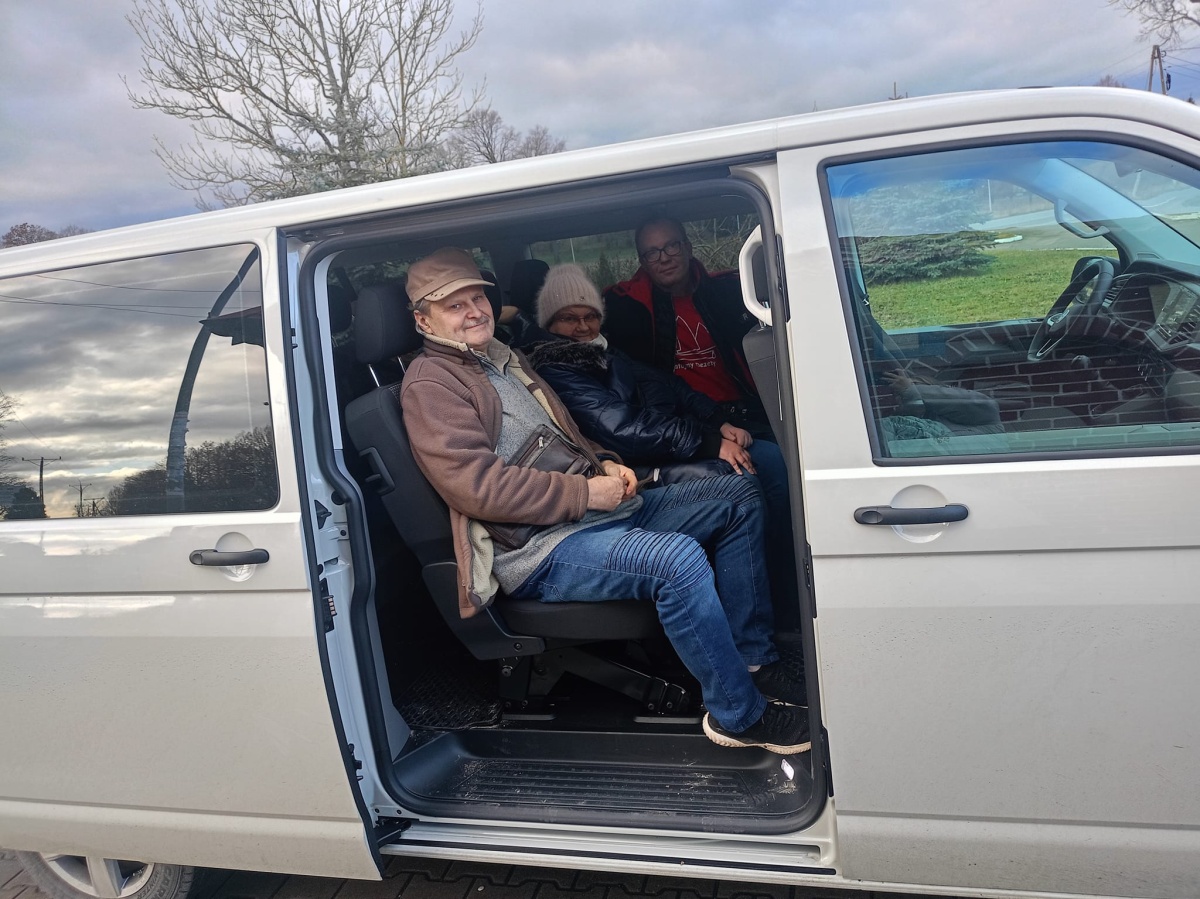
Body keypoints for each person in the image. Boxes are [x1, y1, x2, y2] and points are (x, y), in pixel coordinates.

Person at [398, 247, 809, 754]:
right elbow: (476, 487)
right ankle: (738, 715)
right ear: (423, 320)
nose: (474, 311)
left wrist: (607, 462)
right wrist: (585, 491)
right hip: (539, 547)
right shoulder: (432, 385)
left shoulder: (503, 359)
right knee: (676, 559)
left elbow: (566, 434)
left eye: (477, 298)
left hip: (592, 512)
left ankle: (752, 659)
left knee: (738, 493)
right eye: (454, 305)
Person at [527, 264, 800, 627]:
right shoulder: (557, 367)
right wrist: (710, 444)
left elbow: (670, 385)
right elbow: (622, 429)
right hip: (630, 465)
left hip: (666, 446)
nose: (582, 327)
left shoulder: (604, 351)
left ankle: (784, 587)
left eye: (590, 316)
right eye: (568, 318)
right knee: (740, 477)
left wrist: (718, 421)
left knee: (771, 459)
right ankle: (756, 619)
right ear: (549, 322)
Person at [603, 216, 770, 436]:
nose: (664, 258)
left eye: (672, 246)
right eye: (652, 253)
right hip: (683, 422)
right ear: (643, 263)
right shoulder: (627, 309)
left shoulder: (729, 294)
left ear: (688, 249)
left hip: (747, 412)